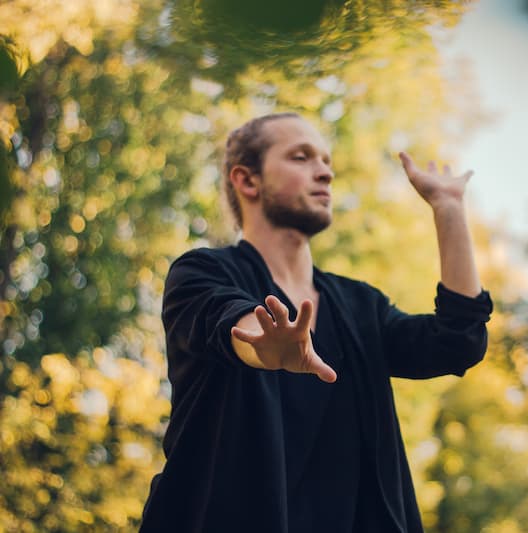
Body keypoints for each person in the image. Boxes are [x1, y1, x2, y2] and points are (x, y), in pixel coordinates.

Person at [140, 112, 492, 532]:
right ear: (248, 181)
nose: (324, 172)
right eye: (301, 157)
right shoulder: (200, 273)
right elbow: (227, 320)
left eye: (326, 160)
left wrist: (448, 209)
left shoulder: (361, 306)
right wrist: (263, 345)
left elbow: (456, 342)